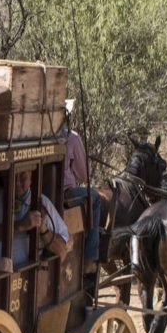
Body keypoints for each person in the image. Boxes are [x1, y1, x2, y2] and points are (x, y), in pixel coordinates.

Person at [0, 169, 68, 268]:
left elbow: (62, 250)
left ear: (31, 178)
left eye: (23, 177)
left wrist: (43, 230)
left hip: (27, 274)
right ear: (4, 176)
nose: (17, 183)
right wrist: (20, 226)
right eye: (12, 176)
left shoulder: (42, 202)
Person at [61, 99, 101, 274]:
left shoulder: (41, 135)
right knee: (96, 198)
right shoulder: (72, 137)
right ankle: (90, 256)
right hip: (66, 194)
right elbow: (83, 174)